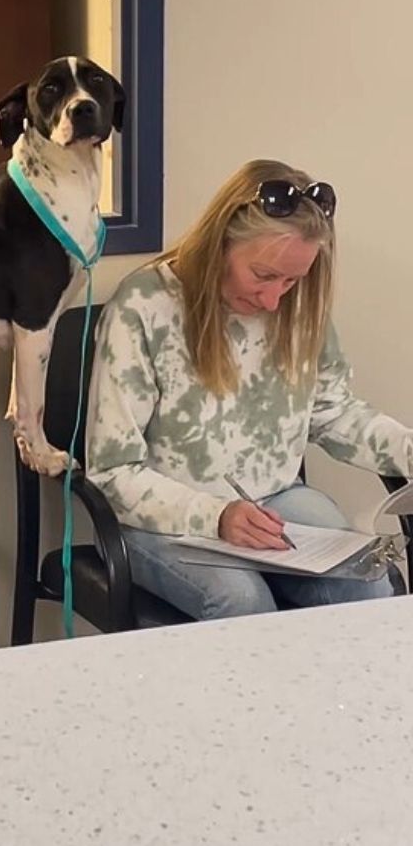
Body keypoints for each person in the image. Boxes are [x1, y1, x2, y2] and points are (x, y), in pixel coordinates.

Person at [85, 158, 412, 620]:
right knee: (243, 603)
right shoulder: (144, 307)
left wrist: (408, 450)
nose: (274, 299)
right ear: (220, 245)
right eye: (262, 276)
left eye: (292, 280)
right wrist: (215, 516)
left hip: (276, 499)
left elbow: (334, 413)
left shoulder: (295, 307)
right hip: (165, 521)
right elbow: (113, 472)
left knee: (369, 583)